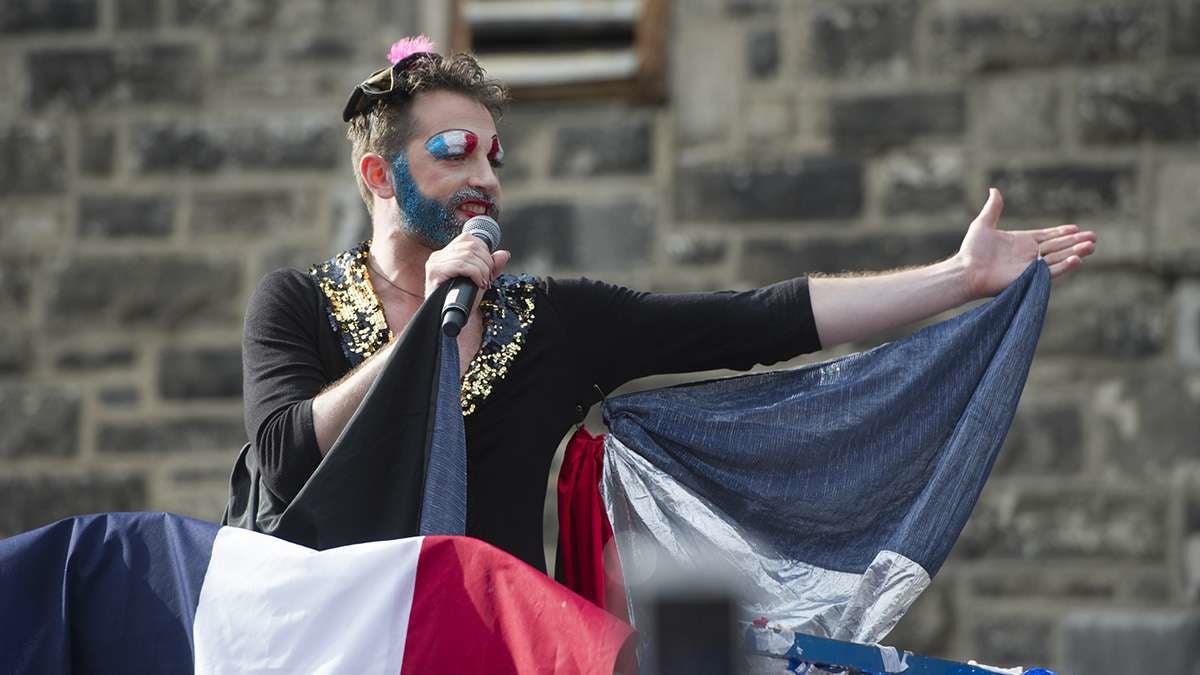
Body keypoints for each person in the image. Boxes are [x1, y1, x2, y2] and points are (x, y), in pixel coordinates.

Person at [239, 38, 1097, 573]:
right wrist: (428, 330)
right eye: (455, 151)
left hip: (493, 648)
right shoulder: (296, 301)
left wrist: (958, 277)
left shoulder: (551, 321)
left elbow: (754, 321)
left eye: (494, 155)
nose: (487, 178)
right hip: (346, 644)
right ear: (378, 174)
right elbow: (280, 459)